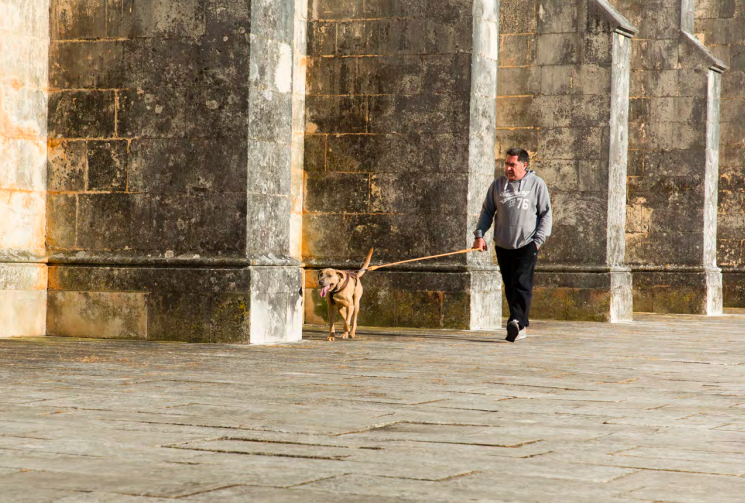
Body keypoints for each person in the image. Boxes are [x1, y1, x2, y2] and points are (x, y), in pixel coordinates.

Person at [473, 148, 552, 342]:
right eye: (506, 164)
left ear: (524, 165)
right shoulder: (498, 185)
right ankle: (520, 325)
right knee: (510, 286)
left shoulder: (537, 185)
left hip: (527, 244)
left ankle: (516, 321)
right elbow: (487, 212)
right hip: (503, 245)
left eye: (512, 164)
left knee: (522, 284)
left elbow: (546, 214)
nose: (508, 168)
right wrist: (479, 235)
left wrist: (538, 242)